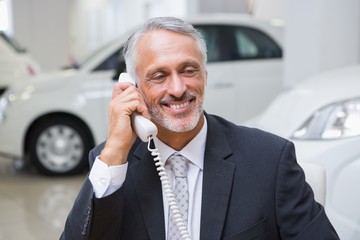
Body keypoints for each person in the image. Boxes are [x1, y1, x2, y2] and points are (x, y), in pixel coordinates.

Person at [60, 16, 339, 240]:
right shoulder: (113, 163)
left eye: (188, 70)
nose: (178, 88)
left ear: (205, 76)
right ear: (133, 88)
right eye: (159, 76)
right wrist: (114, 153)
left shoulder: (270, 159)